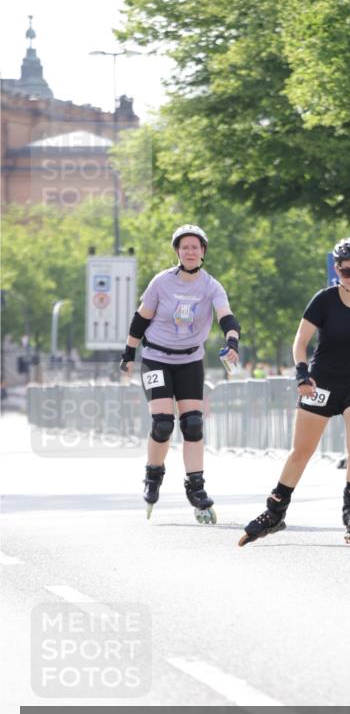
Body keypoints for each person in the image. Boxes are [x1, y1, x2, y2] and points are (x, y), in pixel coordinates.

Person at [240, 237, 350, 547]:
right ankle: (275, 512)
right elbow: (300, 341)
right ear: (337, 269)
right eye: (346, 271)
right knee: (302, 452)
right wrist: (301, 373)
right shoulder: (323, 300)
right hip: (320, 383)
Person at [119, 224, 241, 523]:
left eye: (195, 247)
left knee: (193, 424)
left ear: (203, 252)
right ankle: (153, 474)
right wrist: (128, 354)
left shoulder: (211, 285)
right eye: (184, 247)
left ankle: (196, 488)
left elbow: (226, 316)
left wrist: (232, 341)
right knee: (163, 424)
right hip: (156, 359)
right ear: (177, 251)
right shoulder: (161, 282)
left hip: (190, 360)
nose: (190, 251)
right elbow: (140, 319)